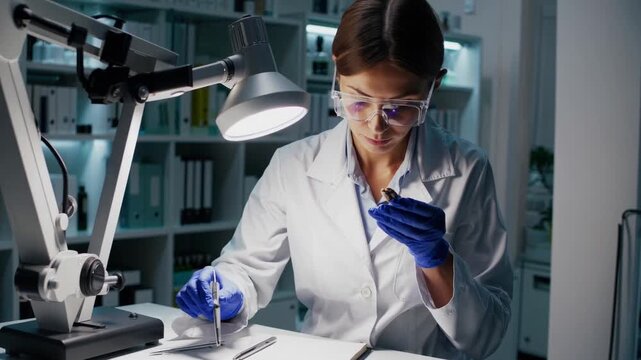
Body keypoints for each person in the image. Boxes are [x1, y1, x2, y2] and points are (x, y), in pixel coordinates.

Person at [175, 0, 512, 358]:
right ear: (337, 73)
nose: (376, 124)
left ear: (434, 87)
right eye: (358, 101)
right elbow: (246, 268)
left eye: (400, 107)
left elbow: (486, 334)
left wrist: (437, 260)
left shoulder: (466, 170)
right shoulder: (293, 165)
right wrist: (224, 289)